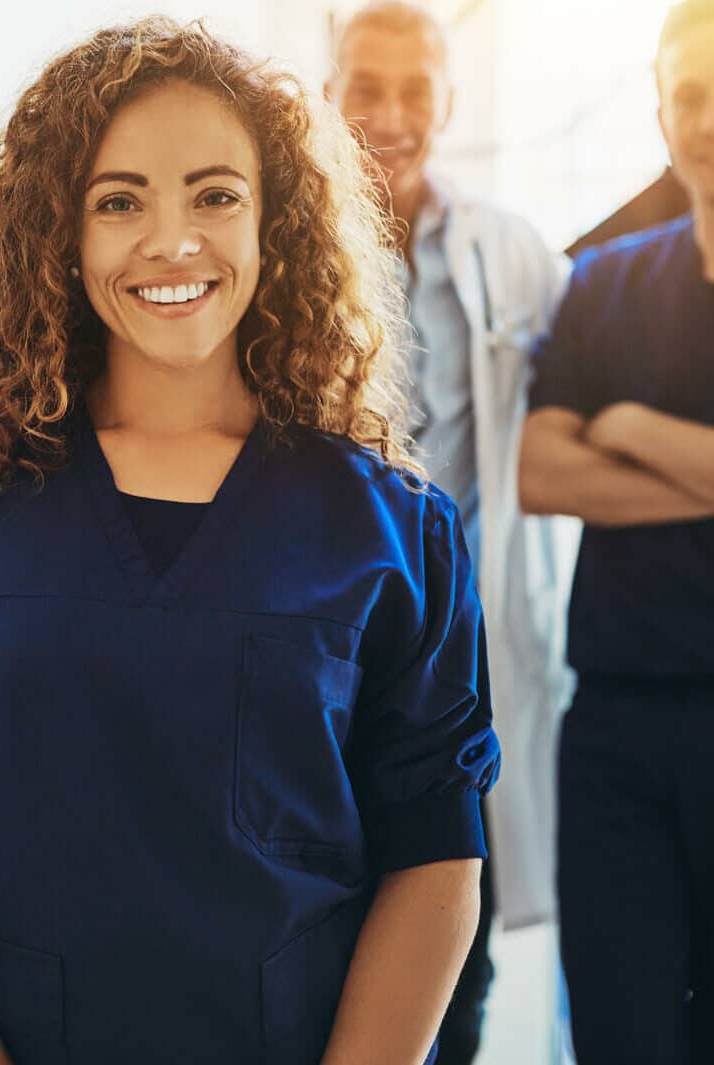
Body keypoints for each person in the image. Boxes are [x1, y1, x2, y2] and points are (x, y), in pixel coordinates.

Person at [0, 19, 500, 1065]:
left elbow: (435, 856)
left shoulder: (394, 530)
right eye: (118, 201)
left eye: (216, 194)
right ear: (59, 235)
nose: (173, 242)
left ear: (278, 224)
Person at [326, 4, 578, 1062]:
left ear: (447, 101)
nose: (391, 115)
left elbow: (580, 401)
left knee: (450, 947)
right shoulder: (277, 243)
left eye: (414, 90)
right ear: (330, 93)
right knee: (325, 922)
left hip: (456, 661)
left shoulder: (508, 251)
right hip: (324, 647)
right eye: (366, 88)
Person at [519, 2, 714, 1061]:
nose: (709, 119)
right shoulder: (605, 287)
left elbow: (586, 458)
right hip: (616, 739)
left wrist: (633, 429)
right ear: (659, 111)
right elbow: (542, 472)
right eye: (690, 94)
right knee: (623, 1036)